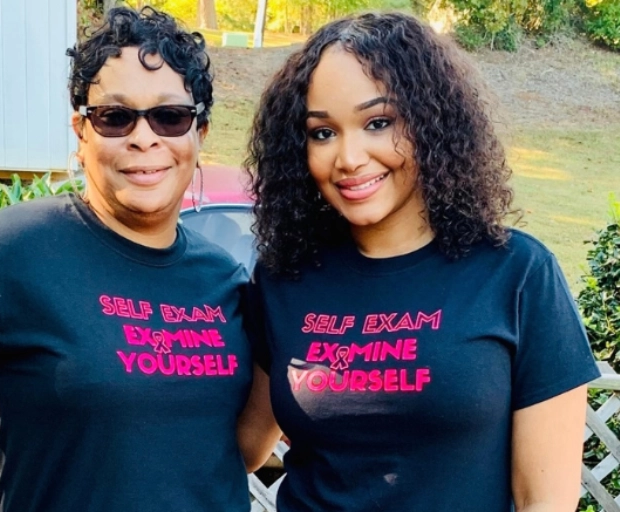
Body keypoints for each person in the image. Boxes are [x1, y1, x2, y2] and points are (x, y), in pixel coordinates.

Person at [0, 7, 253, 512]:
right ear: (81, 131)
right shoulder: (15, 251)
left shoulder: (224, 278)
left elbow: (236, 451)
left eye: (170, 117)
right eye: (115, 117)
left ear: (201, 133)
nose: (144, 137)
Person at [236, 11, 600, 512]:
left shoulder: (516, 274)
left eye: (378, 123)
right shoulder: (284, 278)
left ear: (431, 124)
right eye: (322, 133)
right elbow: (244, 448)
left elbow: (545, 500)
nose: (349, 156)